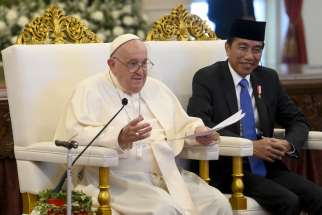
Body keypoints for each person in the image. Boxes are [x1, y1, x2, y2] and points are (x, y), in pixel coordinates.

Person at [55, 34, 232, 215]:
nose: (140, 71)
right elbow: (73, 134)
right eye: (133, 63)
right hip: (118, 181)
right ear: (112, 64)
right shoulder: (90, 89)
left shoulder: (157, 88)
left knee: (217, 203)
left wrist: (198, 131)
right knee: (164, 210)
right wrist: (119, 137)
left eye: (144, 63)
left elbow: (182, 124)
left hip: (168, 175)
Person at [187, 19, 322, 215]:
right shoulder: (207, 78)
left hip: (266, 167)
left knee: (317, 197)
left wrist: (288, 144)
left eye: (257, 50)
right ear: (227, 48)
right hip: (225, 169)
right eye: (242, 47)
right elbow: (201, 124)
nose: (250, 56)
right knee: (288, 201)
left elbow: (297, 120)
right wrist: (250, 146)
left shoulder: (268, 78)